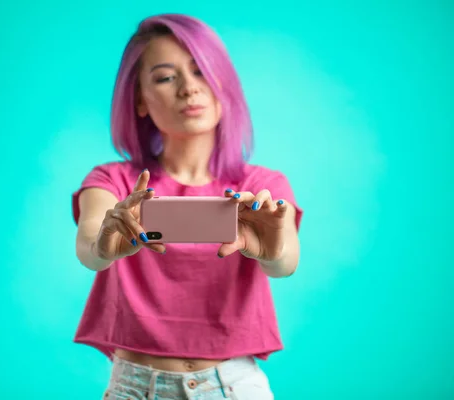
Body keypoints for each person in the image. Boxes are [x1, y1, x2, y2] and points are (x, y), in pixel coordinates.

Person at [72, 13, 303, 400]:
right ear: (140, 100)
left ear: (223, 85)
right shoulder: (112, 182)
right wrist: (102, 245)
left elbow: (286, 263)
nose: (189, 89)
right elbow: (89, 246)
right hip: (134, 386)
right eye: (165, 77)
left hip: (235, 386)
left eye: (201, 71)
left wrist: (274, 251)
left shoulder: (262, 187)